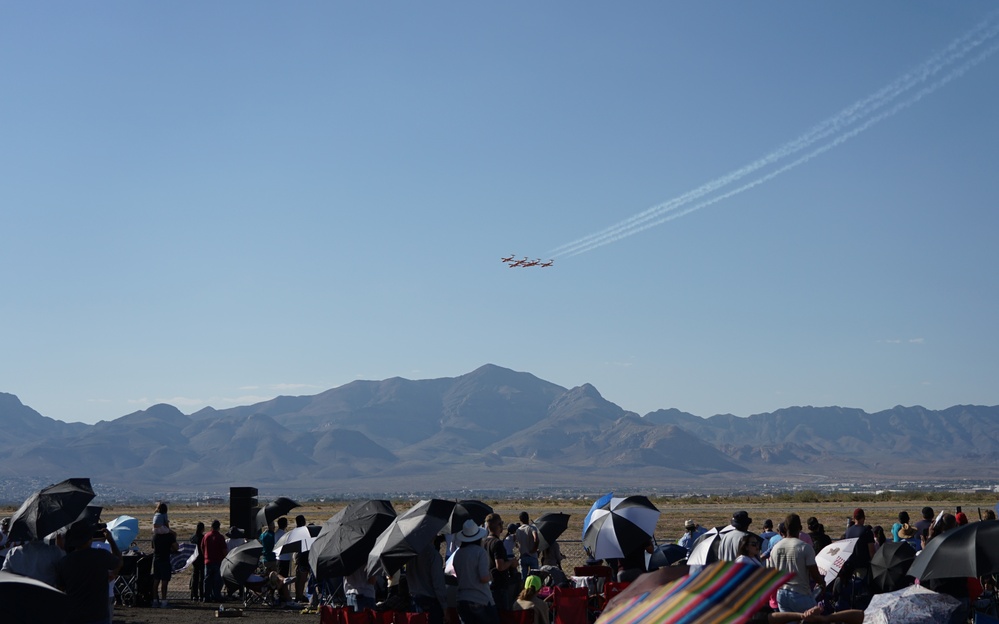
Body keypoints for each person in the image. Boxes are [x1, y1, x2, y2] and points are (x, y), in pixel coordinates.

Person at [56, 522, 122, 624]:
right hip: (98, 614)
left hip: (74, 614)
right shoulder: (101, 556)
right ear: (89, 539)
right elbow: (118, 562)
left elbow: (60, 587)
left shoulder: (65, 561)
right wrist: (111, 540)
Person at [767, 513, 826, 613]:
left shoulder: (776, 548)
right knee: (815, 618)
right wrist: (821, 583)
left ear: (785, 528)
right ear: (800, 528)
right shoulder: (805, 547)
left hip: (781, 594)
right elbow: (814, 573)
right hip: (800, 593)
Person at [452, 518, 498, 624]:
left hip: (462, 599)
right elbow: (483, 578)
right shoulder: (480, 552)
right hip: (480, 598)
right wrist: (490, 575)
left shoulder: (458, 554)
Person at [408, 534, 447, 624]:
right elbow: (438, 584)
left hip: (414, 599)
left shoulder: (411, 554)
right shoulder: (433, 554)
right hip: (430, 603)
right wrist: (445, 607)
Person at [483, 513, 519, 610]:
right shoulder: (497, 543)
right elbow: (500, 566)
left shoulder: (484, 542)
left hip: (488, 583)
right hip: (499, 585)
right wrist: (511, 563)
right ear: (499, 525)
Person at [151, 519, 179, 608]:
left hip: (156, 559)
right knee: (164, 581)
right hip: (165, 560)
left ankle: (155, 600)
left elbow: (152, 546)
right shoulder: (169, 536)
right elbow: (176, 547)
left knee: (156, 580)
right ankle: (164, 601)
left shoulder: (155, 536)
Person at [201, 519, 227, 602]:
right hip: (218, 561)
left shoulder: (206, 536)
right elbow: (224, 550)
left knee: (207, 580)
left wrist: (205, 555)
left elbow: (202, 547)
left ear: (211, 527)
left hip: (208, 561)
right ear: (219, 527)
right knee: (217, 580)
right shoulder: (220, 537)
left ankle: (206, 596)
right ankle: (217, 596)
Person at [514, 512, 540, 581]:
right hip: (532, 556)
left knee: (523, 579)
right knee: (534, 578)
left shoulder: (518, 530)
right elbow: (536, 538)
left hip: (523, 556)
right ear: (528, 518)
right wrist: (535, 548)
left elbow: (516, 542)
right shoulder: (532, 528)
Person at [291, 515, 311, 602]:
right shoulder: (304, 531)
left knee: (298, 578)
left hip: (297, 556)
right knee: (302, 579)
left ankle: (298, 595)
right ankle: (299, 596)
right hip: (303, 557)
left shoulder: (295, 531)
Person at [189, 522, 205, 601]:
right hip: (201, 558)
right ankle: (202, 594)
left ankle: (194, 594)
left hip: (194, 558)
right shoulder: (203, 537)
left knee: (195, 576)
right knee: (202, 577)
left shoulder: (193, 537)